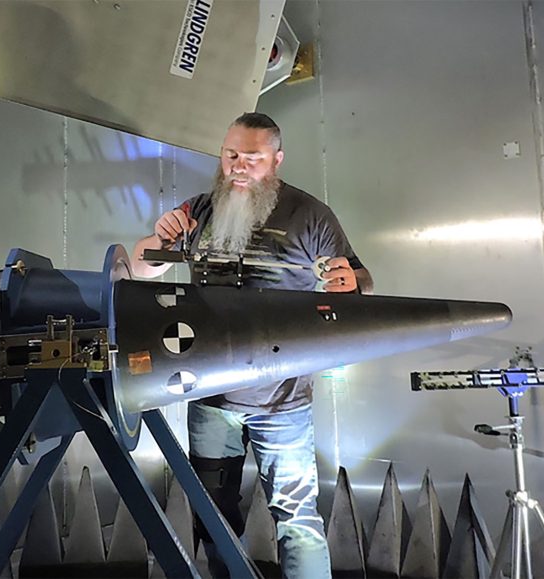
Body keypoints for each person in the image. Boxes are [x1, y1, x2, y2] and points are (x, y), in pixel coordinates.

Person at [131, 112, 372, 578]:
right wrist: (158, 240)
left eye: (253, 158)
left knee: (297, 519)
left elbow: (360, 276)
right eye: (231, 155)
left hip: (282, 401)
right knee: (213, 513)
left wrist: (350, 282)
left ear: (276, 160)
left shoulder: (311, 215)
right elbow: (142, 267)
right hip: (209, 395)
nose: (239, 167)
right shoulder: (199, 211)